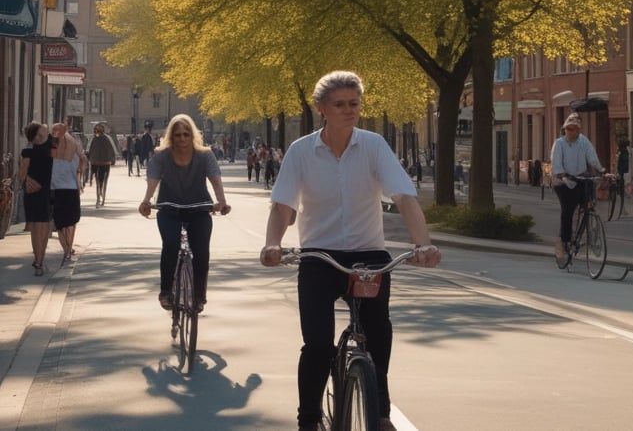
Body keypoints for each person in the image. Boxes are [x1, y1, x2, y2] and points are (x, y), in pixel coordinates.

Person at [258, 70, 441, 431]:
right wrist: (273, 245)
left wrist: (423, 244)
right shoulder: (300, 152)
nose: (348, 110)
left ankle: (381, 412)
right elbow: (282, 206)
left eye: (354, 104)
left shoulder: (373, 146)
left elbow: (404, 196)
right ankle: (308, 419)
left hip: (368, 258)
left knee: (378, 333)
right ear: (322, 108)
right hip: (319, 258)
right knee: (318, 345)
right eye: (339, 104)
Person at [138, 114, 231, 313]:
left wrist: (221, 201)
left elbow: (215, 178)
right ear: (171, 136)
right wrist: (146, 200)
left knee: (201, 251)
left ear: (193, 136)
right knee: (171, 244)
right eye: (178, 135)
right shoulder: (161, 155)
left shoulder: (205, 155)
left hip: (199, 208)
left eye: (186, 134)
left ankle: (199, 297)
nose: (182, 139)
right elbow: (153, 179)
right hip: (169, 208)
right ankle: (166, 292)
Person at [550, 112, 608, 261]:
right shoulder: (559, 144)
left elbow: (592, 157)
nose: (571, 132)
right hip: (563, 181)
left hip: (581, 177)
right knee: (568, 210)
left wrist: (601, 170)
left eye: (574, 129)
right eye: (568, 129)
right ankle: (564, 242)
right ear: (564, 130)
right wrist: (562, 174)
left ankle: (588, 232)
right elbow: (556, 163)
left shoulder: (583, 142)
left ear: (579, 130)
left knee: (588, 204)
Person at [18, 122, 53, 276]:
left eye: (45, 132)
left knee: (43, 227)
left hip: (47, 191)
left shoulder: (52, 147)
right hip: (35, 192)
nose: (44, 135)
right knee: (38, 227)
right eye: (41, 133)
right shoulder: (28, 151)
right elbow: (21, 175)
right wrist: (27, 180)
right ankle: (38, 260)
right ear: (35, 136)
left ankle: (40, 259)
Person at [50, 123, 87, 262]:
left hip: (56, 188)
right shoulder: (75, 145)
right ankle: (67, 249)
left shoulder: (51, 146)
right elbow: (83, 160)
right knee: (70, 221)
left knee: (60, 222)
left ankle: (66, 249)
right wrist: (79, 175)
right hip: (71, 187)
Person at [87, 124, 118, 208]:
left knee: (103, 181)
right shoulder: (92, 138)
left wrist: (113, 159)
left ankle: (102, 198)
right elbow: (88, 149)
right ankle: (98, 198)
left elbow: (113, 150)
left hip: (105, 163)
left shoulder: (107, 138)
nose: (97, 132)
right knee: (97, 181)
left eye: (99, 130)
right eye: (96, 130)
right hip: (95, 163)